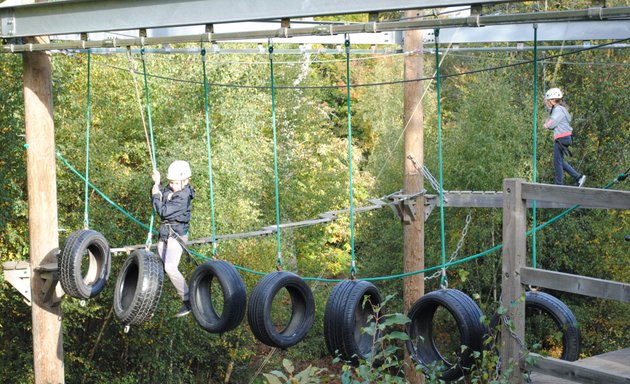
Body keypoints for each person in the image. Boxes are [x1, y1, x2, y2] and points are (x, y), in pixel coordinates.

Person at [151, 160, 195, 317]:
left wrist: (155, 194)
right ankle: (147, 300)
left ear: (186, 180)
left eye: (175, 183)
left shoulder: (183, 198)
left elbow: (162, 210)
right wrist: (157, 183)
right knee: (158, 265)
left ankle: (189, 300)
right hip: (165, 233)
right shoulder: (173, 189)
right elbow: (162, 194)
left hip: (177, 234)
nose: (172, 186)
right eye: (170, 182)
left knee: (170, 267)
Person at [543, 87, 586, 187]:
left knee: (557, 162)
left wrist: (546, 125)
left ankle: (559, 184)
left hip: (561, 139)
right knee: (560, 161)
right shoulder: (562, 109)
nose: (547, 104)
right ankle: (578, 177)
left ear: (553, 101)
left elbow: (553, 123)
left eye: (548, 101)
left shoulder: (557, 110)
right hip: (566, 138)